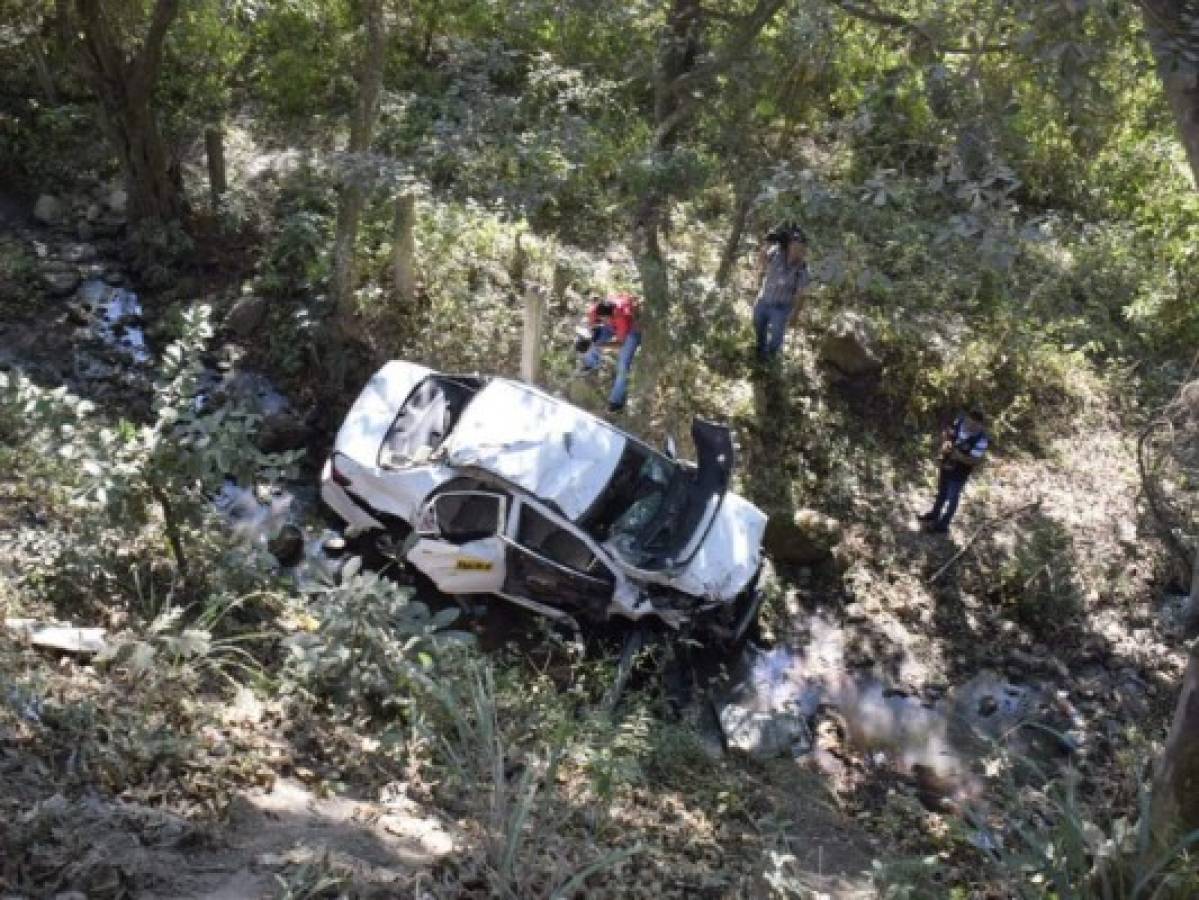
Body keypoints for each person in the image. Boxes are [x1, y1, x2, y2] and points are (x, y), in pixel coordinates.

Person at [919, 409, 989, 533]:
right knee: (941, 492)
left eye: (973, 425)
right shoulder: (959, 421)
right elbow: (948, 434)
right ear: (966, 418)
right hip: (946, 464)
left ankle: (943, 525)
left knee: (952, 498)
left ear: (980, 425)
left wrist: (958, 455)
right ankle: (934, 514)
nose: (969, 427)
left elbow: (974, 461)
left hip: (960, 472)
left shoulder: (981, 440)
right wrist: (944, 447)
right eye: (968, 422)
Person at [752, 224, 810, 361]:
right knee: (758, 325)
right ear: (789, 245)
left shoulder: (802, 269)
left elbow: (801, 294)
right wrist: (766, 244)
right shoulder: (776, 252)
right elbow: (760, 263)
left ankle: (771, 358)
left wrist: (795, 315)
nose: (798, 251)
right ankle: (760, 351)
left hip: (782, 307)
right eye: (795, 246)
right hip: (764, 299)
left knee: (777, 335)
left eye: (801, 248)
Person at [578, 292, 641, 412]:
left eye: (606, 319)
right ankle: (590, 363)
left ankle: (616, 401)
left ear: (612, 315)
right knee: (597, 338)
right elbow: (591, 327)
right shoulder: (596, 310)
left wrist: (602, 345)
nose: (604, 320)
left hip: (631, 331)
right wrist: (590, 338)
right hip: (613, 325)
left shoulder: (622, 317)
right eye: (602, 318)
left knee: (623, 365)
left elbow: (620, 344)